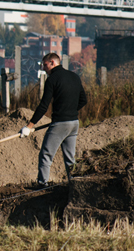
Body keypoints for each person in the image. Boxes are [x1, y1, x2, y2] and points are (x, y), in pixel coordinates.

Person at [20, 53, 87, 188]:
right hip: (74, 123)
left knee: (46, 155)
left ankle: (42, 184)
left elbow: (43, 106)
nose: (44, 68)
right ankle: (74, 185)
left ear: (52, 63)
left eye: (45, 65)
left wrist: (29, 126)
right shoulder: (74, 77)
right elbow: (83, 100)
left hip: (60, 124)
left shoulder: (52, 79)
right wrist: (70, 111)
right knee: (70, 158)